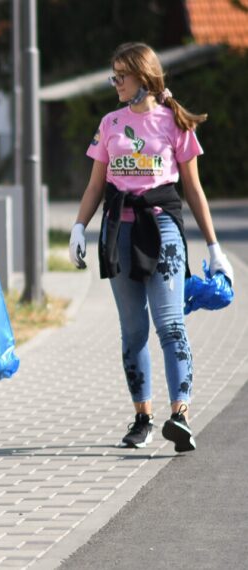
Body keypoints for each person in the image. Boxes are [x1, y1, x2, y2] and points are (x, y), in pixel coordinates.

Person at [68, 42, 234, 452]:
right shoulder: (110, 123)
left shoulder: (175, 123)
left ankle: (181, 415)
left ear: (143, 77)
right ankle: (142, 417)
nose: (115, 82)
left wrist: (214, 247)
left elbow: (194, 189)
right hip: (119, 232)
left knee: (170, 324)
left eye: (121, 75)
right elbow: (95, 186)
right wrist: (78, 227)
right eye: (113, 75)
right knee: (133, 330)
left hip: (163, 229)